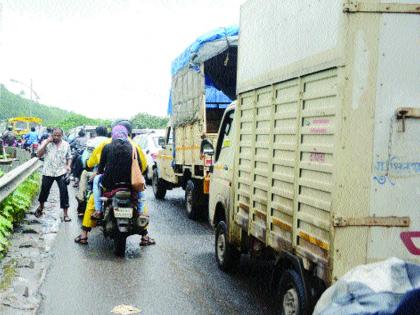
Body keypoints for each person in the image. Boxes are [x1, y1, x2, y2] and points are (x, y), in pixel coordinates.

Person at [74, 120, 155, 246]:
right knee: (139, 199)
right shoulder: (135, 146)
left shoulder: (106, 144)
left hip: (110, 183)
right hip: (130, 184)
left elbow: (91, 163)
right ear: (129, 132)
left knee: (92, 200)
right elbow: (143, 167)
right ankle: (145, 235)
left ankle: (84, 234)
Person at [35, 128, 72, 222]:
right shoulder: (46, 143)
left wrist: (68, 166)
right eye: (55, 135)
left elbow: (69, 157)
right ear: (52, 134)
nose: (56, 137)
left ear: (62, 135)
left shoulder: (66, 144)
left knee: (64, 193)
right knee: (44, 191)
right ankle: (41, 207)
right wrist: (47, 142)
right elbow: (39, 154)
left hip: (61, 171)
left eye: (58, 135)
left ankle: (65, 214)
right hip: (48, 171)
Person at [76, 126, 109, 215]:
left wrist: (85, 165)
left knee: (84, 174)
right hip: (113, 172)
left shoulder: (92, 142)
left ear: (96, 133)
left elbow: (85, 159)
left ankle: (81, 201)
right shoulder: (111, 141)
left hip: (99, 171)